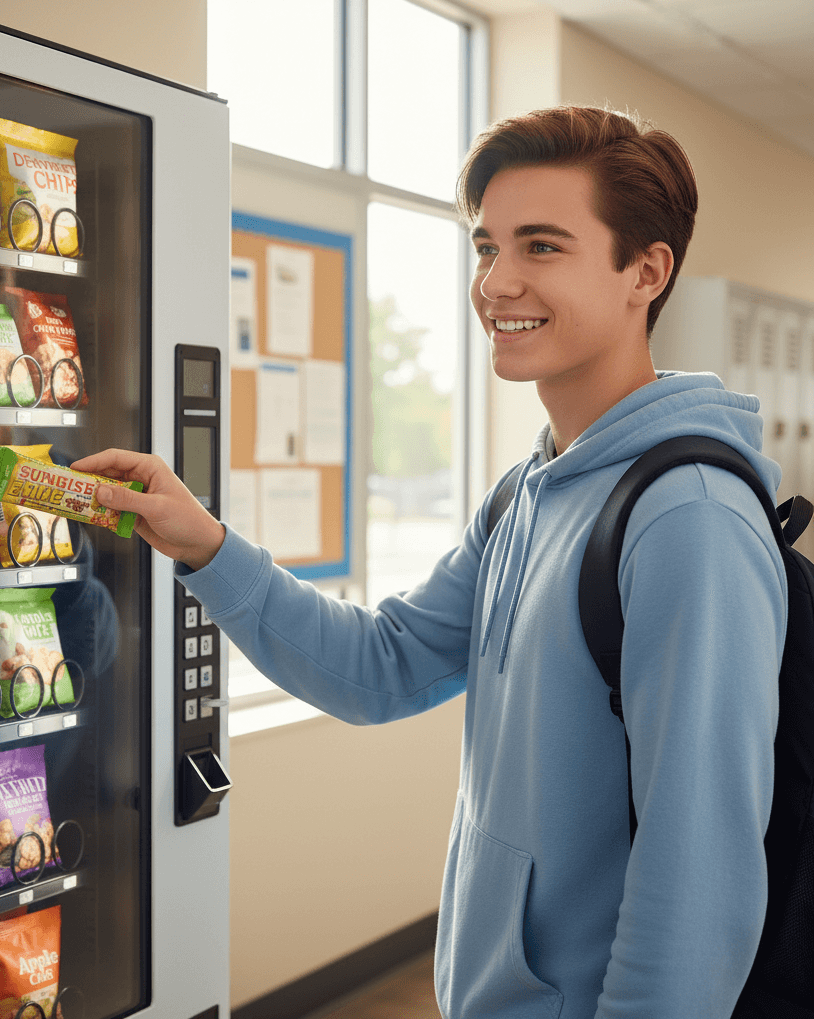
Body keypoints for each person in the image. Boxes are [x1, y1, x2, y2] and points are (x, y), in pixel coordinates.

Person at [73, 105, 788, 1019]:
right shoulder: (528, 491)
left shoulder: (687, 520)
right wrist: (204, 544)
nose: (496, 283)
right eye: (486, 248)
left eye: (542, 247)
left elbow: (701, 880)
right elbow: (381, 665)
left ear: (645, 272)